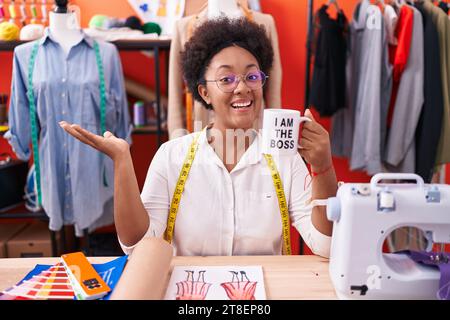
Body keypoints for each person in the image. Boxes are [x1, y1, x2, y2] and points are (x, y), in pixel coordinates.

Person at [60, 17, 337, 257]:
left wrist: (323, 168)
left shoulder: (284, 159)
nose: (242, 88)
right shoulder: (172, 157)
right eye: (226, 79)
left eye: (252, 77)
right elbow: (137, 245)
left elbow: (325, 245)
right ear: (204, 92)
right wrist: (121, 160)